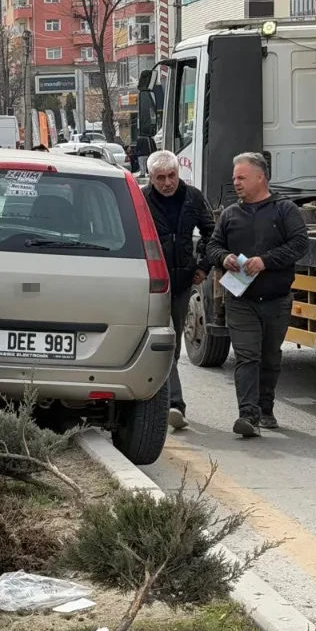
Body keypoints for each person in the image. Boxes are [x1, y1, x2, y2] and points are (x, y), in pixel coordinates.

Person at [205, 152, 309, 438]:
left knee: (270, 357)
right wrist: (223, 257)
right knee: (246, 356)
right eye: (234, 178)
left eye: (242, 177)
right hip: (241, 300)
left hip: (276, 299)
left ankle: (266, 409)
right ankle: (248, 416)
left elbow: (300, 244)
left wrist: (266, 261)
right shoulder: (230, 214)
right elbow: (212, 247)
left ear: (261, 177)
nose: (235, 183)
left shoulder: (285, 210)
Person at [142, 150, 214, 430]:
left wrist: (203, 266)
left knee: (173, 345)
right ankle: (174, 403)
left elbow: (212, 232)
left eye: (171, 176)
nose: (167, 183)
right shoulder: (142, 199)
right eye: (160, 178)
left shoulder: (193, 197)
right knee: (163, 342)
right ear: (151, 178)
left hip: (182, 283)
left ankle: (168, 402)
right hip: (152, 284)